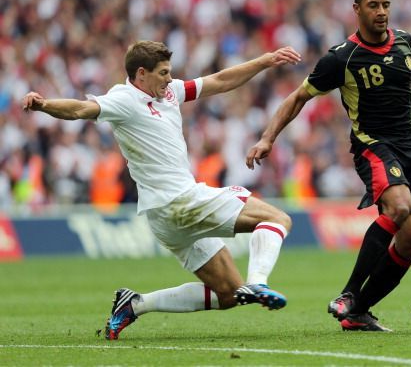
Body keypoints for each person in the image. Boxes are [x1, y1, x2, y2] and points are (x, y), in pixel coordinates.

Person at [22, 40, 301, 340]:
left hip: (163, 216)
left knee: (230, 294)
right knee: (277, 219)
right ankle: (258, 281)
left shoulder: (169, 93)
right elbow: (80, 109)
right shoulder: (123, 100)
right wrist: (44, 105)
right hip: (180, 200)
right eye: (163, 73)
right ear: (142, 74)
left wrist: (264, 60)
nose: (170, 79)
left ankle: (136, 304)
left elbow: (219, 81)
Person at [246, 0, 411, 332]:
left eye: (386, 5)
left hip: (409, 146)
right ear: (357, 9)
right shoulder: (341, 58)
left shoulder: (406, 43)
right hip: (373, 145)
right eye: (374, 5)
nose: (381, 12)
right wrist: (267, 138)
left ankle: (359, 311)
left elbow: (404, 99)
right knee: (399, 206)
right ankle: (349, 294)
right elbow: (298, 97)